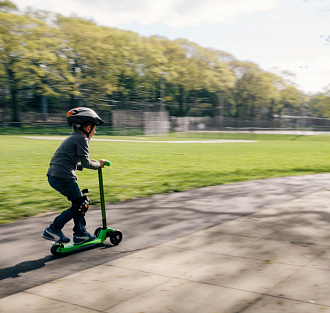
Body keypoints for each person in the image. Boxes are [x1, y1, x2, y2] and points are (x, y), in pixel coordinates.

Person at [42, 107, 108, 245]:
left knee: (79, 203)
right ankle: (54, 229)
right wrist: (99, 165)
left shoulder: (73, 138)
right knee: (81, 204)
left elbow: (70, 161)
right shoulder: (82, 139)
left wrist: (84, 164)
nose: (94, 132)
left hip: (55, 175)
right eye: (95, 129)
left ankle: (80, 234)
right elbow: (85, 162)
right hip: (63, 176)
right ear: (88, 128)